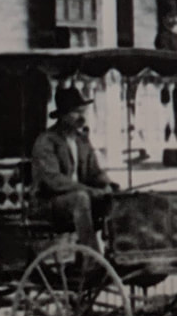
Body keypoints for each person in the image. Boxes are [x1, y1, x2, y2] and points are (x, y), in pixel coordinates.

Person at [30, 85, 117, 251]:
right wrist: (90, 191)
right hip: (47, 205)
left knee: (115, 199)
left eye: (83, 111)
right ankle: (91, 257)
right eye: (76, 112)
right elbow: (53, 181)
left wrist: (109, 185)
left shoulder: (82, 140)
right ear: (62, 115)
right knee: (80, 198)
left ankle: (116, 250)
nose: (82, 117)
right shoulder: (46, 141)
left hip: (78, 199)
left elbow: (95, 172)